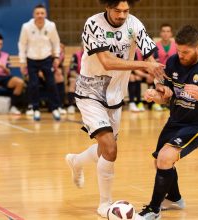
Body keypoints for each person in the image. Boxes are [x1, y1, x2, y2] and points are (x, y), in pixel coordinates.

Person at [64, 0, 164, 217]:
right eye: (117, 10)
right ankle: (104, 204)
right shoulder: (94, 24)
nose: (122, 15)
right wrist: (146, 66)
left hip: (116, 94)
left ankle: (76, 161)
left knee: (104, 151)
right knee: (110, 149)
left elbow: (149, 55)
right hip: (90, 92)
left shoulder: (134, 24)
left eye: (126, 11)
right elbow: (107, 61)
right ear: (107, 7)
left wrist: (158, 82)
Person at [138, 25, 198, 219]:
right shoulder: (173, 61)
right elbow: (166, 95)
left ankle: (153, 210)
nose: (181, 55)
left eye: (186, 52)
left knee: (165, 157)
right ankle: (175, 199)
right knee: (161, 161)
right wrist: (155, 94)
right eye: (178, 50)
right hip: (176, 120)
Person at [18, 4, 62, 121]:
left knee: (51, 83)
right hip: (31, 59)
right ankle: (35, 109)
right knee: (33, 85)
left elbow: (56, 42)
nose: (40, 15)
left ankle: (55, 108)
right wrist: (22, 61)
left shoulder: (51, 26)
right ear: (34, 14)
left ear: (45, 14)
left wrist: (56, 56)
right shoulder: (26, 27)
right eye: (37, 13)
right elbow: (22, 44)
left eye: (42, 13)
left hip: (46, 58)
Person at [66, 47, 83, 114]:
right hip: (77, 76)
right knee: (72, 81)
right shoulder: (76, 56)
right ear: (82, 48)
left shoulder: (93, 56)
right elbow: (72, 71)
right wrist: (80, 78)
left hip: (89, 78)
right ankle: (70, 106)